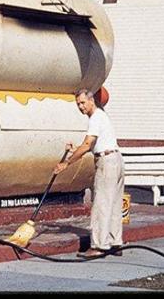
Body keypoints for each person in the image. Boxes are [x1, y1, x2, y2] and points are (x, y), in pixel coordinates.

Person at [52, 88, 124, 259]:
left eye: (83, 103)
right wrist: (73, 150)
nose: (81, 107)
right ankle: (115, 243)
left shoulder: (95, 118)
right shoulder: (101, 117)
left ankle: (99, 246)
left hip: (107, 162)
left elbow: (87, 145)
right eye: (78, 104)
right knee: (113, 203)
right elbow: (90, 145)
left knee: (100, 204)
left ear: (92, 101)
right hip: (116, 159)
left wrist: (66, 164)